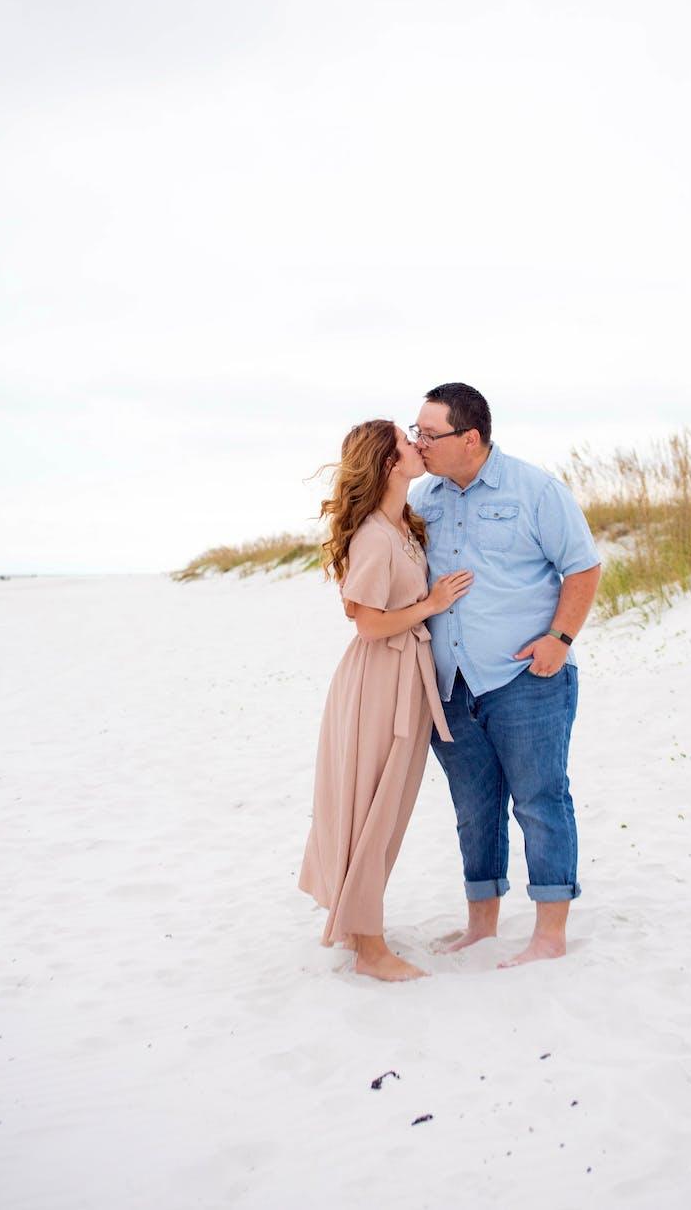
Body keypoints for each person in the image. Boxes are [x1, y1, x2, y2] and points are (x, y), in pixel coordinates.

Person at [408, 383, 601, 967]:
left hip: (525, 679)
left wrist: (559, 639)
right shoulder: (422, 498)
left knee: (540, 801)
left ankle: (549, 935)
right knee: (475, 809)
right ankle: (482, 926)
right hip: (451, 684)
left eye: (429, 433)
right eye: (414, 431)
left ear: (470, 438)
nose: (419, 444)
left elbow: (583, 566)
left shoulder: (536, 490)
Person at [298, 419, 473, 981]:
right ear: (389, 462)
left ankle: (361, 928)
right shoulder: (375, 533)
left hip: (402, 677)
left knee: (385, 808)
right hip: (379, 682)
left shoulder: (401, 524)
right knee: (373, 808)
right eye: (407, 441)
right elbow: (368, 623)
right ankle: (370, 950)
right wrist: (432, 603)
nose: (417, 446)